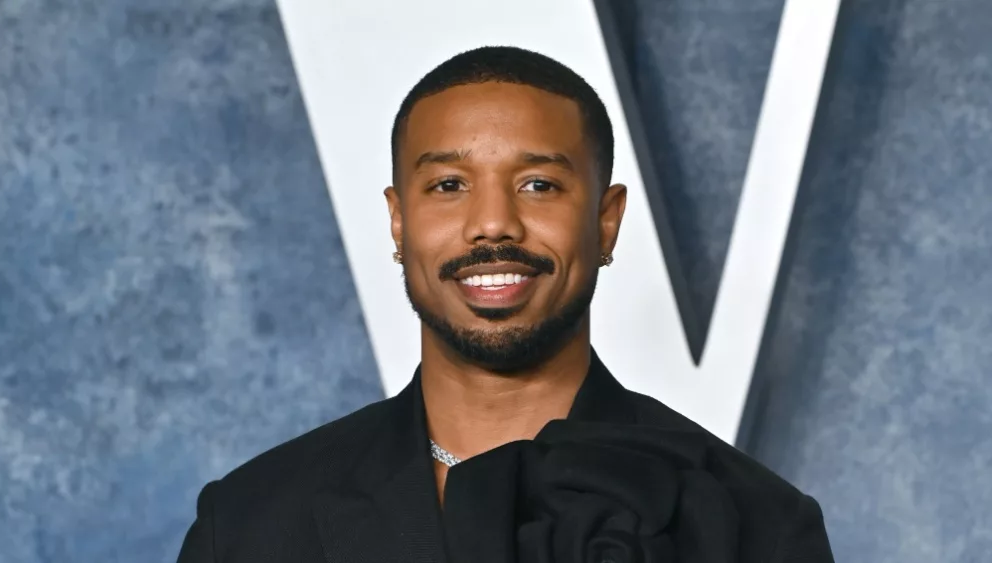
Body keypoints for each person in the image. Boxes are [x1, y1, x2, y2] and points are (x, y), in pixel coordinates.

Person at [176, 45, 834, 563]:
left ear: (606, 223)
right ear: (399, 223)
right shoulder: (245, 525)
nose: (493, 223)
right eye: (449, 184)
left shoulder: (757, 525)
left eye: (540, 183)